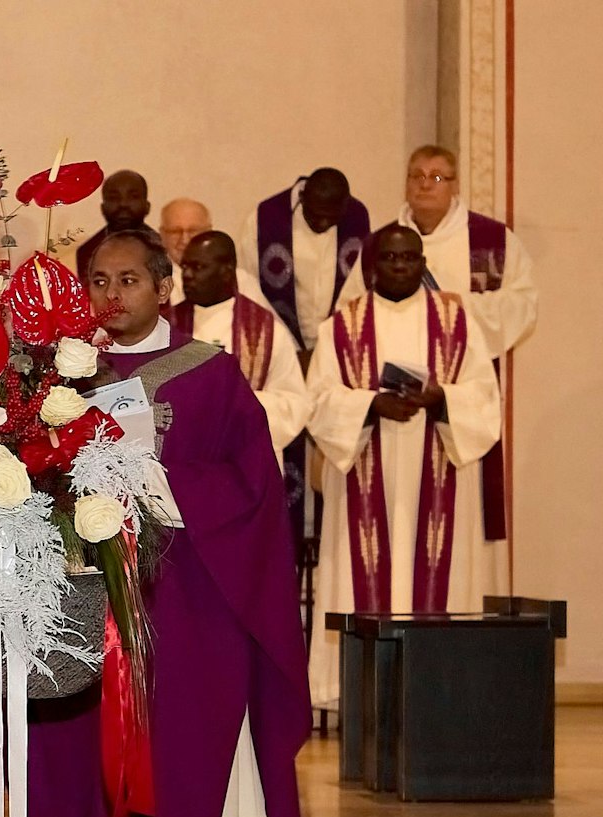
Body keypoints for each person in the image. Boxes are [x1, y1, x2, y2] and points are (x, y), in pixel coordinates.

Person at [18, 229, 310, 817]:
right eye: (98, 281)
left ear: (163, 287)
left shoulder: (211, 376)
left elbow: (254, 487)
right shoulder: (58, 378)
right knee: (80, 774)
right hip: (85, 607)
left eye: (129, 280)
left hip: (189, 606)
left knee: (182, 767)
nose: (112, 296)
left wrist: (157, 477)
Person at [305, 223, 503, 708]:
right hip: (364, 472)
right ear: (372, 265)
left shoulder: (457, 321)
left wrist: (441, 399)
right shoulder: (340, 326)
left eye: (409, 257)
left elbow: (484, 396)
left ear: (423, 263)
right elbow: (318, 400)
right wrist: (371, 404)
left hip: (439, 469)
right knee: (364, 577)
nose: (399, 265)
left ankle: (440, 693)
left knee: (438, 578)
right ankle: (358, 695)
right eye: (390, 257)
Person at [339, 145, 537, 544]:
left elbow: (523, 305)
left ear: (455, 185)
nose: (424, 185)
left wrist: (455, 309)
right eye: (416, 176)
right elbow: (348, 315)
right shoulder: (380, 245)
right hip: (388, 398)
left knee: (453, 531)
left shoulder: (492, 240)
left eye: (436, 177)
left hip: (454, 403)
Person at [171, 232, 310, 453]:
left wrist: (235, 403)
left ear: (227, 271)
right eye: (185, 266)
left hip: (244, 456)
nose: (187, 275)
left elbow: (293, 405)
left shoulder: (266, 331)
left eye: (198, 267)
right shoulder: (166, 325)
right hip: (179, 454)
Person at [239, 168, 370, 363]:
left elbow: (360, 286)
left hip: (337, 347)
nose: (323, 223)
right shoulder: (265, 218)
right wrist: (287, 345)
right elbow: (248, 287)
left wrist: (331, 341)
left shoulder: (356, 217)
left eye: (332, 219)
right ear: (302, 198)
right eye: (315, 215)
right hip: (280, 346)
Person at [70, 170, 156, 277]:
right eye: (114, 198)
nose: (123, 204)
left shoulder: (163, 248)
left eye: (133, 197)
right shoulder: (88, 251)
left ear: (147, 206)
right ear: (102, 208)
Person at [156, 197, 212, 307]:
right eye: (175, 231)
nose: (184, 240)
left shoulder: (239, 281)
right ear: (162, 234)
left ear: (208, 233)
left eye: (193, 231)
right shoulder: (150, 280)